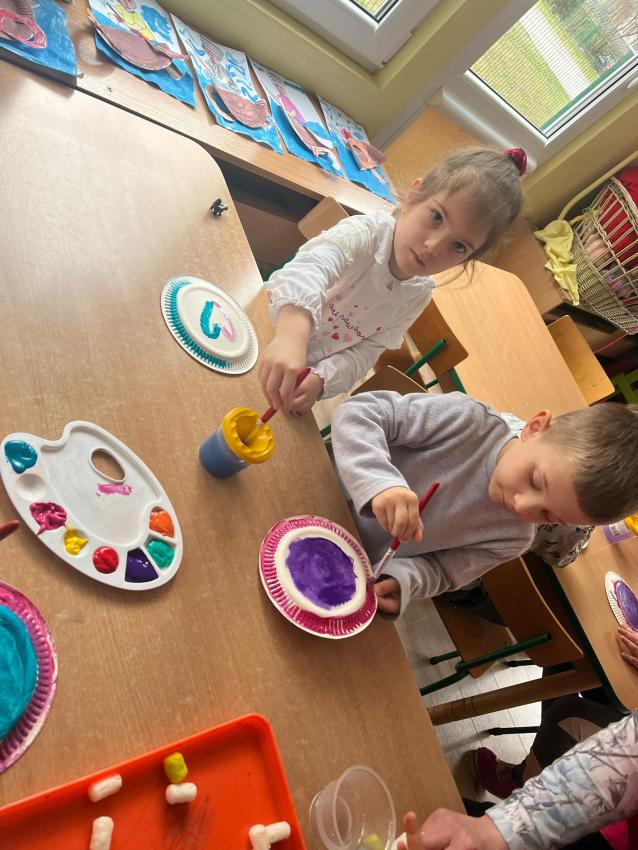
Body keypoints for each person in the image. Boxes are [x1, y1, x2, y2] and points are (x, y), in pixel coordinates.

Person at [259, 146, 527, 414]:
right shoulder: (365, 234)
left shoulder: (418, 295)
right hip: (266, 322)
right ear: (414, 195)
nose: (433, 247)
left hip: (298, 373)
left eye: (459, 246)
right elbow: (310, 269)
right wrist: (291, 335)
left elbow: (366, 352)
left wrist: (322, 379)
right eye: (437, 217)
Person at [330, 391, 638, 616]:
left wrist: (404, 581)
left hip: (345, 565)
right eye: (534, 479)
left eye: (547, 516)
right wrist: (381, 482)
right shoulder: (469, 422)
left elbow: (443, 572)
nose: (521, 506)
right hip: (320, 489)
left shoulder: (514, 539)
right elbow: (359, 412)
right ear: (535, 428)